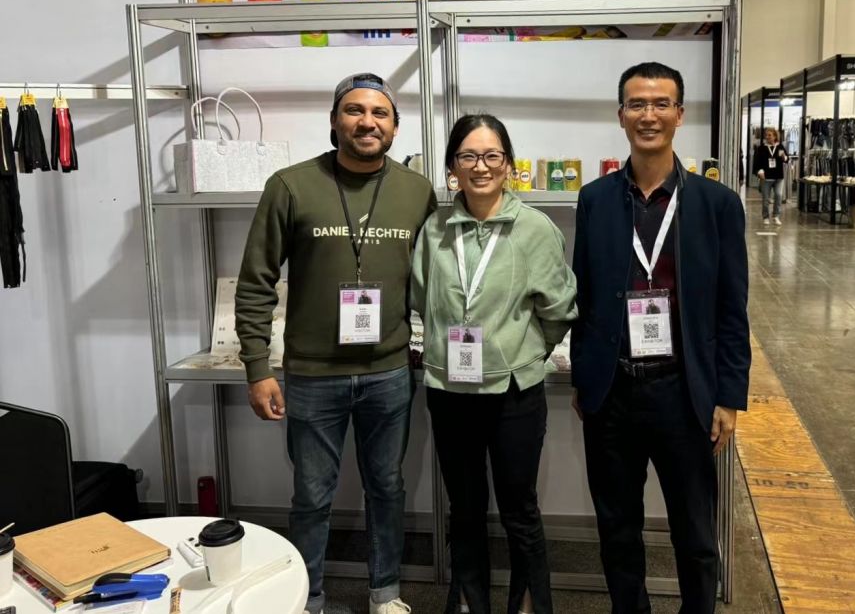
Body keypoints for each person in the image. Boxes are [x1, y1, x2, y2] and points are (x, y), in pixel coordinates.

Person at [235, 73, 436, 614]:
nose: (367, 122)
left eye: (380, 113)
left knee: (387, 488)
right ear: (333, 121)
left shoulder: (417, 191)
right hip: (312, 374)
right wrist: (257, 367)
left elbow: (434, 276)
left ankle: (385, 592)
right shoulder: (291, 185)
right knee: (312, 496)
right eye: (354, 110)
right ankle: (310, 597)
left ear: (394, 127)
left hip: (390, 371)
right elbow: (256, 281)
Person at [570, 62, 751, 613]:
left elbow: (732, 308)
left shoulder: (717, 204)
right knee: (617, 529)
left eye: (660, 103)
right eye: (637, 104)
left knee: (695, 535)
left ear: (679, 114)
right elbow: (586, 295)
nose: (648, 115)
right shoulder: (595, 199)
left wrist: (728, 396)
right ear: (621, 114)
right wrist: (584, 377)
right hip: (613, 393)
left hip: (684, 393)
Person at [411, 114, 577, 614]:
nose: (480, 167)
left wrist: (520, 354)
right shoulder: (434, 230)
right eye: (468, 156)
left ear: (508, 165)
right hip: (449, 392)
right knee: (464, 509)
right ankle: (468, 602)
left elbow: (558, 310)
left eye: (491, 156)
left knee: (519, 508)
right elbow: (421, 298)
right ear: (452, 168)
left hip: (514, 395)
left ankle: (528, 605)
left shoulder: (535, 230)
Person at [753, 127, 789, 225]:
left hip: (778, 176)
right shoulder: (761, 148)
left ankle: (776, 216)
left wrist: (784, 157)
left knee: (778, 195)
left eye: (769, 135)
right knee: (766, 198)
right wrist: (759, 171)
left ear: (775, 136)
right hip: (766, 177)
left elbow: (786, 159)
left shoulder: (780, 146)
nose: (767, 137)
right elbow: (757, 162)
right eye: (766, 135)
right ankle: (765, 217)